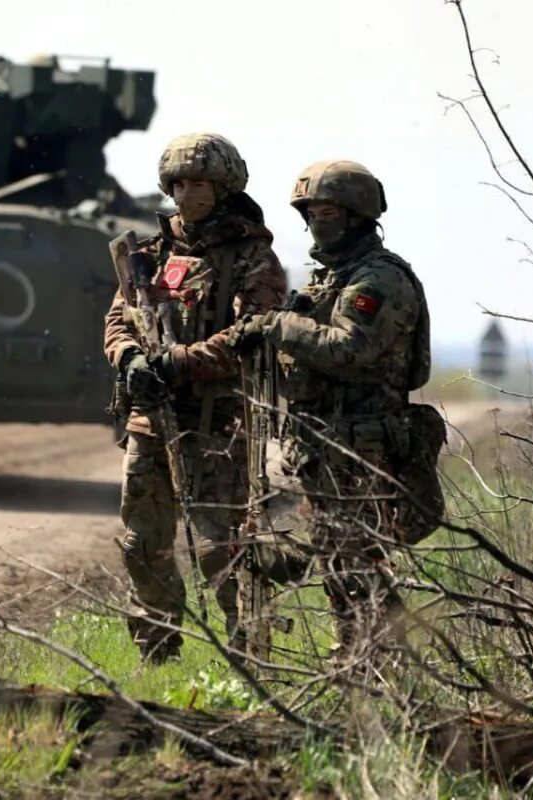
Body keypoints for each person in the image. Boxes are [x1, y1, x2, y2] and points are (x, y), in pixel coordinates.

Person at [234, 160, 445, 658]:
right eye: (312, 212)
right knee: (338, 559)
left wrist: (277, 326)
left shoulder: (377, 280)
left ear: (357, 215)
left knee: (354, 559)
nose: (317, 221)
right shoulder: (333, 277)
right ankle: (361, 657)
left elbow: (349, 349)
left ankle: (375, 659)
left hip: (360, 441)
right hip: (326, 440)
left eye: (329, 211)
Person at [103, 133, 287, 663]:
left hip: (218, 425)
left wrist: (178, 361)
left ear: (224, 187)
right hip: (149, 423)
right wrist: (130, 359)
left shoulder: (252, 255)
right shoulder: (149, 254)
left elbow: (251, 334)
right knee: (143, 546)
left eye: (199, 183)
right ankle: (157, 655)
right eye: (178, 183)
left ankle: (251, 660)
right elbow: (119, 318)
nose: (187, 193)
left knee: (220, 551)